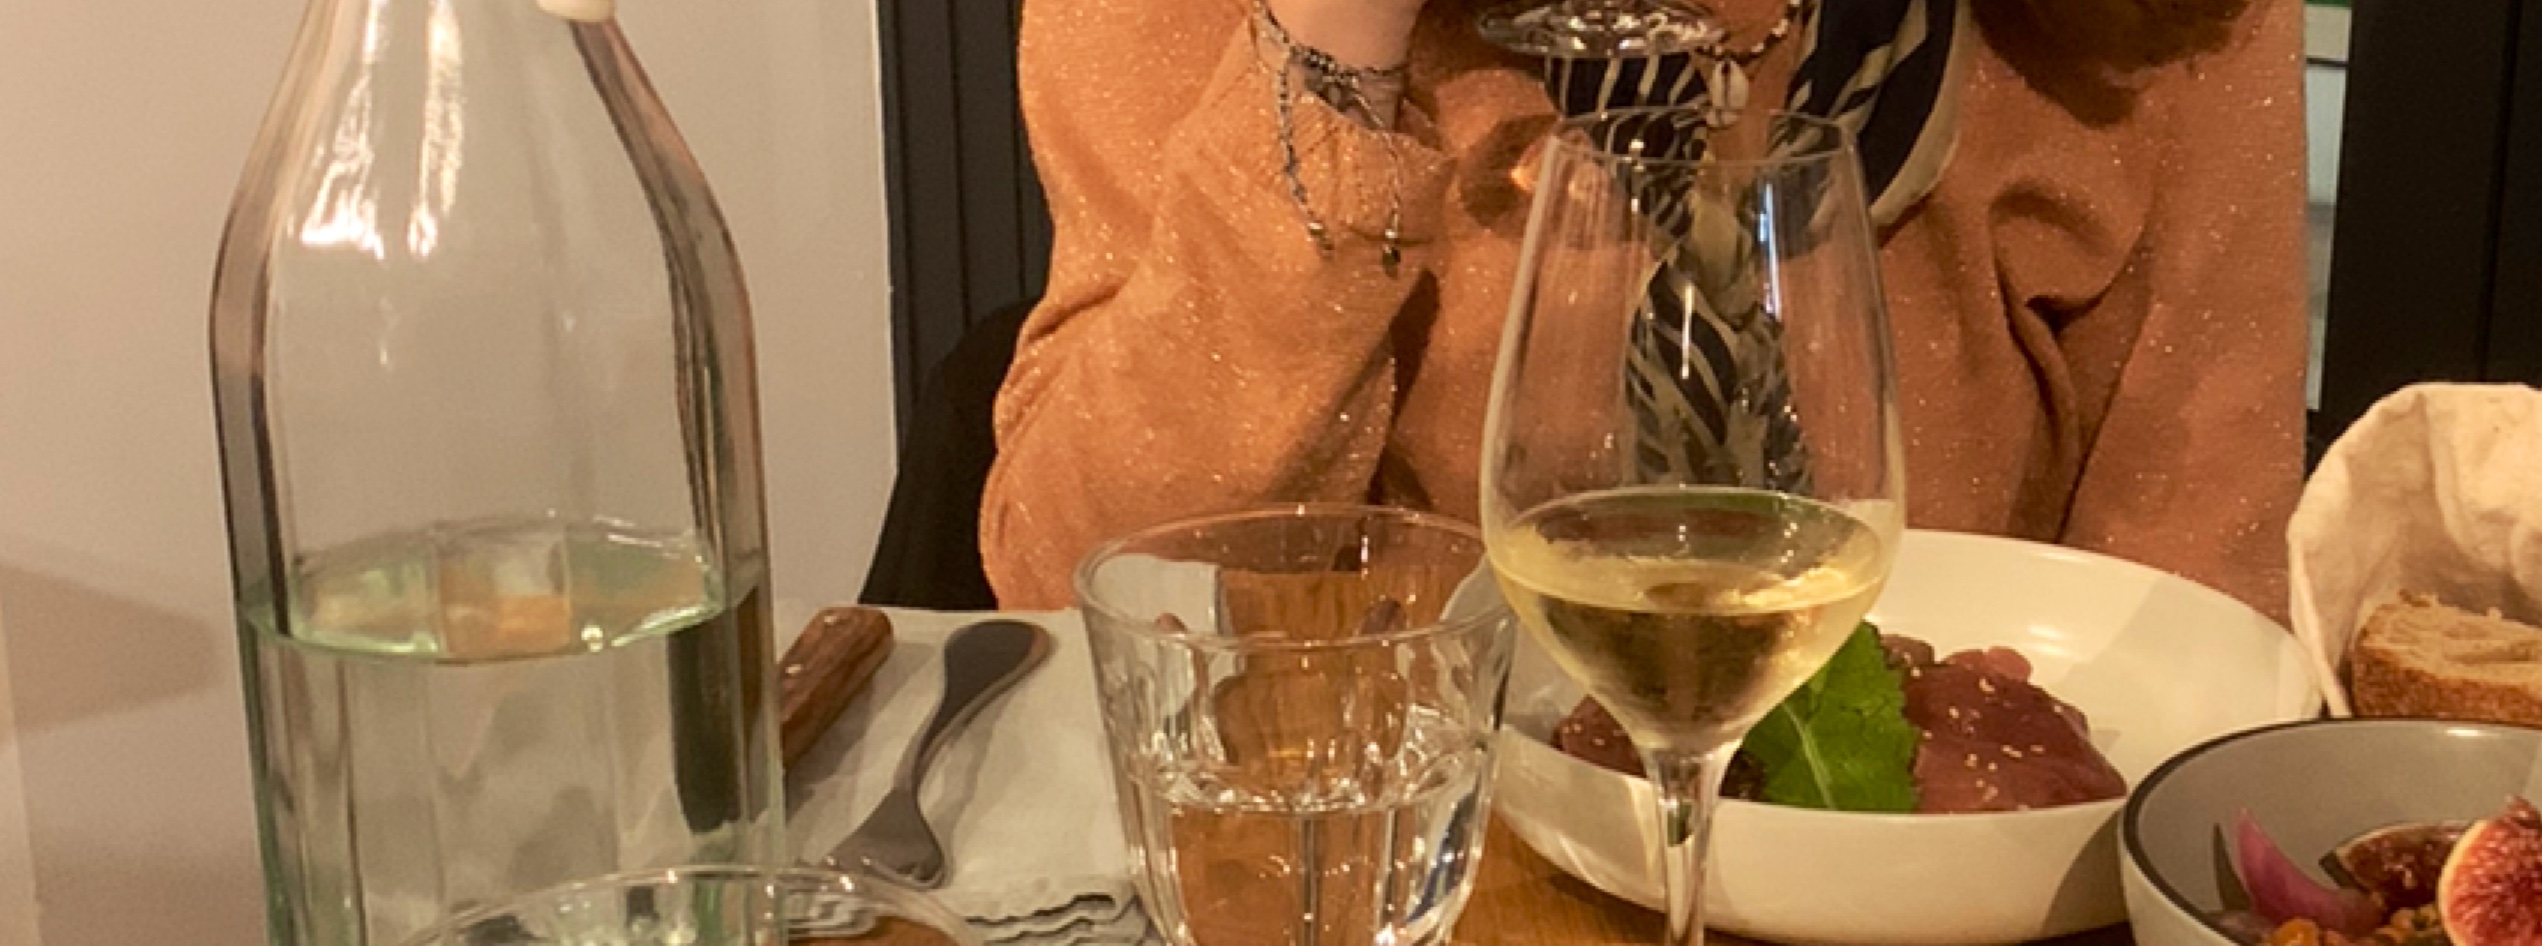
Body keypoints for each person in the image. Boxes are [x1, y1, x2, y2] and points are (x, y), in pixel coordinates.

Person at [981, 0, 2307, 618]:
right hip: (1405, 917)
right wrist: (1332, 49)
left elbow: (2191, 644)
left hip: (1950, 928)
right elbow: (1083, 590)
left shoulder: (2165, 30)